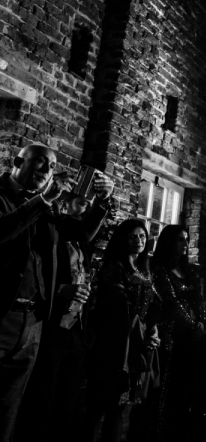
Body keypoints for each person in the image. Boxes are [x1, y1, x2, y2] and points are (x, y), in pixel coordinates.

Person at [16, 182, 115, 442]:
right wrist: (61, 290)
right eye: (82, 202)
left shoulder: (81, 240)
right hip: (50, 327)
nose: (86, 207)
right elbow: (32, 276)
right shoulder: (48, 231)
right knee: (41, 404)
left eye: (88, 204)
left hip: (77, 331)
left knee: (68, 406)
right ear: (64, 202)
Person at [0, 144, 80, 442]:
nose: (47, 170)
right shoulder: (4, 196)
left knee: (8, 410)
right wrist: (43, 200)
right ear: (18, 161)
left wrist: (102, 203)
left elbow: (73, 238)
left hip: (32, 323)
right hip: (3, 316)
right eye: (41, 162)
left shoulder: (44, 206)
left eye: (51, 166)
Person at [82, 219, 161, 442]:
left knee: (120, 405)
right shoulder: (113, 267)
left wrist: (152, 330)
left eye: (142, 236)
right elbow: (118, 307)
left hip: (137, 343)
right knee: (99, 405)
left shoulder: (144, 269)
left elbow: (154, 306)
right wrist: (141, 334)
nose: (139, 240)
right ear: (123, 239)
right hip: (115, 343)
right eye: (133, 236)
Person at [147, 224, 206, 442]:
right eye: (181, 239)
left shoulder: (188, 270)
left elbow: (198, 299)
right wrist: (192, 324)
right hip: (168, 333)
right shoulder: (159, 268)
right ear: (170, 242)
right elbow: (169, 302)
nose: (186, 244)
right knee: (164, 386)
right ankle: (157, 433)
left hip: (189, 335)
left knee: (184, 386)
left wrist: (201, 322)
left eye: (187, 239)